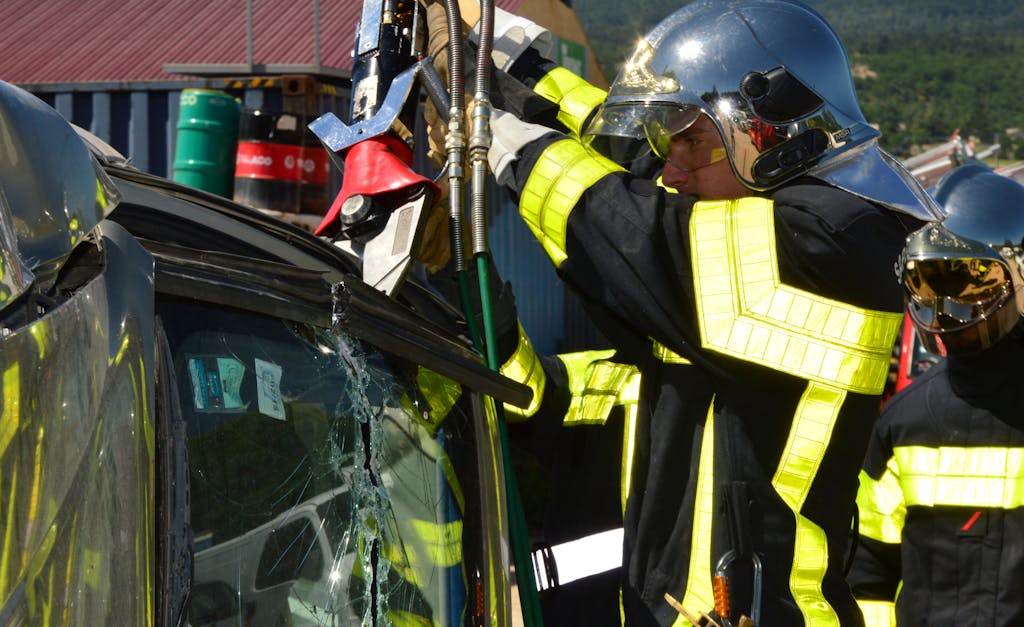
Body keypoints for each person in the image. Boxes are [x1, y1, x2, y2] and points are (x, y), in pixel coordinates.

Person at [428, 0, 943, 624]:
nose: (670, 170)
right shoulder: (767, 206)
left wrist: (491, 135)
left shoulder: (838, 244)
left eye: (692, 142)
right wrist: (506, 55)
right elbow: (632, 158)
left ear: (767, 134)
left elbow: (628, 230)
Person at [848, 163, 1024, 627]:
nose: (944, 309)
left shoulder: (905, 418)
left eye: (965, 281)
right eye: (926, 283)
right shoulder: (904, 423)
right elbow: (868, 574)